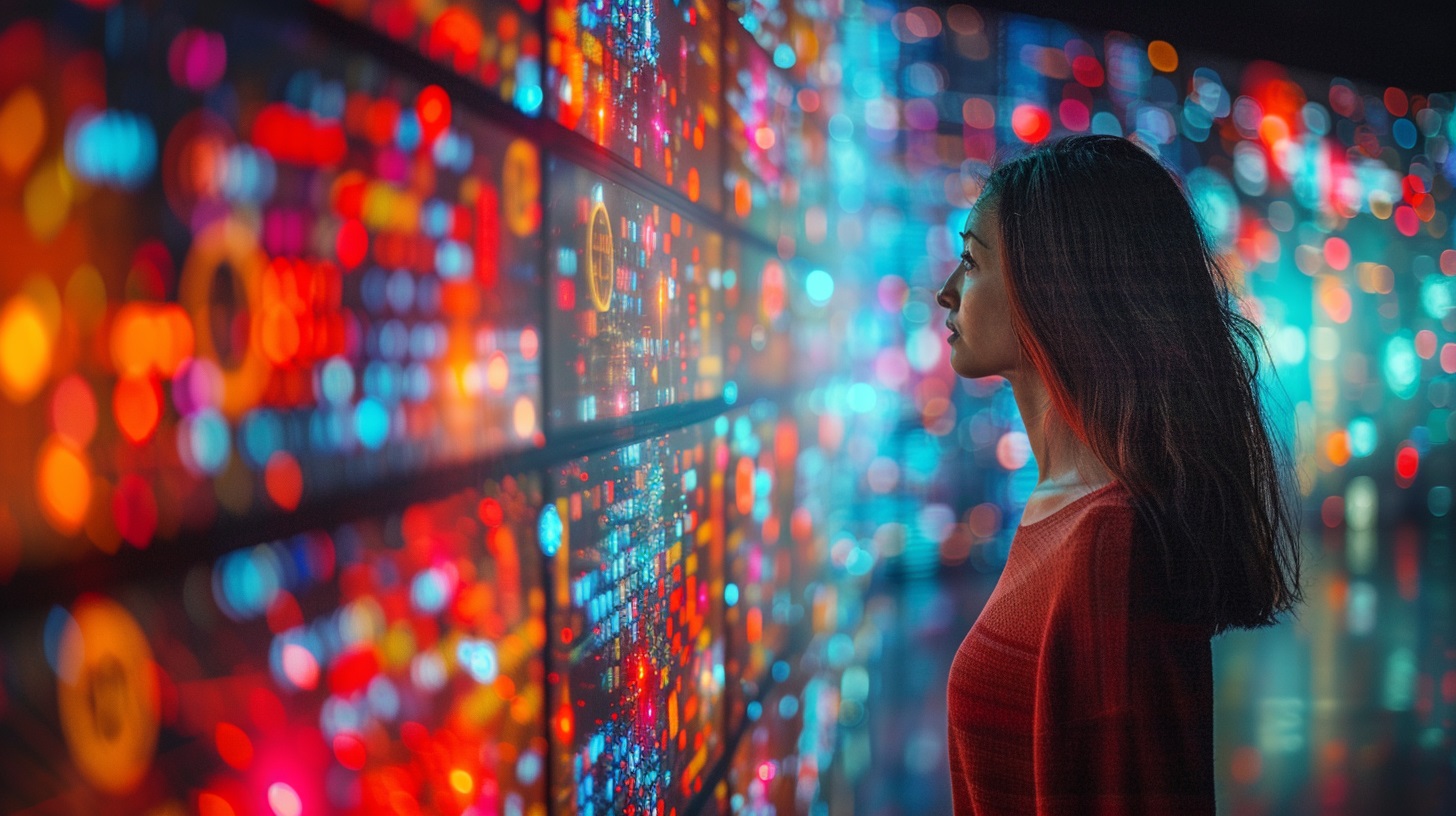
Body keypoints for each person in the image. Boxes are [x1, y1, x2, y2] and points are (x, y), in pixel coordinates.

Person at [937, 134, 1305, 815]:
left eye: (971, 261)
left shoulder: (1107, 541)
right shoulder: (1060, 512)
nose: (945, 293)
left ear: (1054, 286)